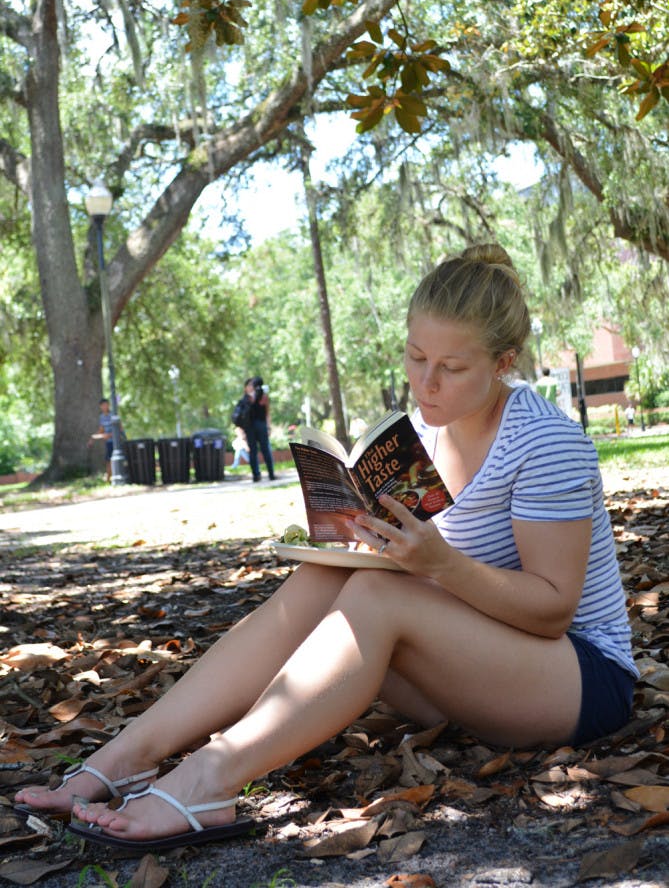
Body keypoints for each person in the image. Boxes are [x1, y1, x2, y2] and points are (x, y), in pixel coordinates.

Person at [15, 244, 637, 850]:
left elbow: (554, 609)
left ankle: (209, 780)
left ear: (504, 362)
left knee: (376, 594)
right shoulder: (420, 429)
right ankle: (127, 758)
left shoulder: (545, 441)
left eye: (452, 368)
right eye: (415, 356)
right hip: (478, 667)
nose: (426, 382)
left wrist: (438, 564)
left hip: (578, 680)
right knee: (326, 579)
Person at [245, 376, 276, 482]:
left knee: (263, 450)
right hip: (254, 426)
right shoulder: (250, 397)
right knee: (257, 451)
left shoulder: (262, 396)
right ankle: (257, 475)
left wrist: (268, 427)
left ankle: (268, 474)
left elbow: (267, 413)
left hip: (258, 426)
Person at [87, 398, 120, 484]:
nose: (105, 406)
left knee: (112, 460)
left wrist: (109, 435)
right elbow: (101, 430)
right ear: (100, 406)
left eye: (106, 404)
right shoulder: (101, 417)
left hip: (115, 441)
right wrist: (92, 438)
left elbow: (119, 428)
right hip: (108, 442)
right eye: (103, 405)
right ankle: (109, 479)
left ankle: (112, 478)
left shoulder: (113, 415)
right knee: (108, 460)